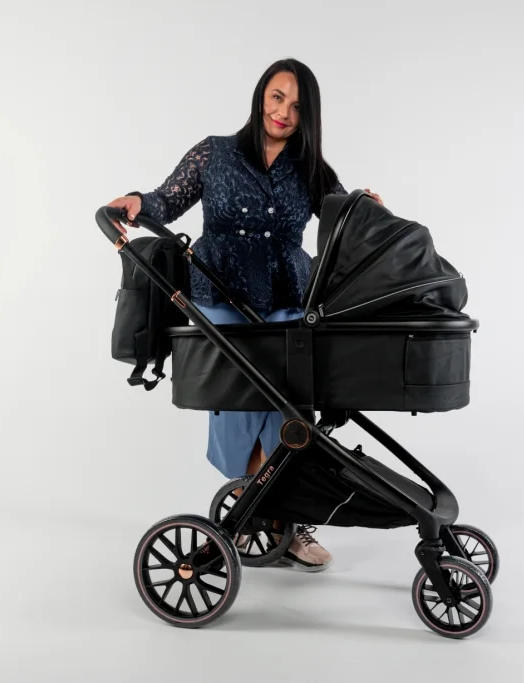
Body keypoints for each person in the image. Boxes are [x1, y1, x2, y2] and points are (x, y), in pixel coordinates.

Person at [107, 58, 384, 572]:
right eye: (277, 97)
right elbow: (168, 199)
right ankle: (263, 510)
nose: (284, 112)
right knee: (236, 403)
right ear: (261, 97)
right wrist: (138, 201)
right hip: (220, 292)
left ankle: (280, 517)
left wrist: (363, 206)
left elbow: (343, 217)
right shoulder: (215, 153)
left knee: (288, 410)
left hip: (287, 298)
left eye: (297, 106)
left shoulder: (312, 169)